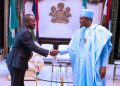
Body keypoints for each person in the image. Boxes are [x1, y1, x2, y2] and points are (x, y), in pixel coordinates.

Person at [59, 9, 112, 86]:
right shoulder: (79, 32)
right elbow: (71, 47)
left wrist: (104, 66)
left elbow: (105, 51)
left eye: (81, 18)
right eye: (79, 18)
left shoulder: (99, 31)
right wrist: (59, 51)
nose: (79, 20)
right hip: (81, 63)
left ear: (88, 19)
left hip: (93, 64)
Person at [6, 14, 58, 86]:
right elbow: (34, 47)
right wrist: (49, 52)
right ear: (27, 22)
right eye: (33, 21)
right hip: (16, 62)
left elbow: (27, 47)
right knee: (16, 84)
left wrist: (30, 54)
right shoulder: (25, 32)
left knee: (20, 83)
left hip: (17, 62)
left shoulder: (24, 30)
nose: (34, 23)